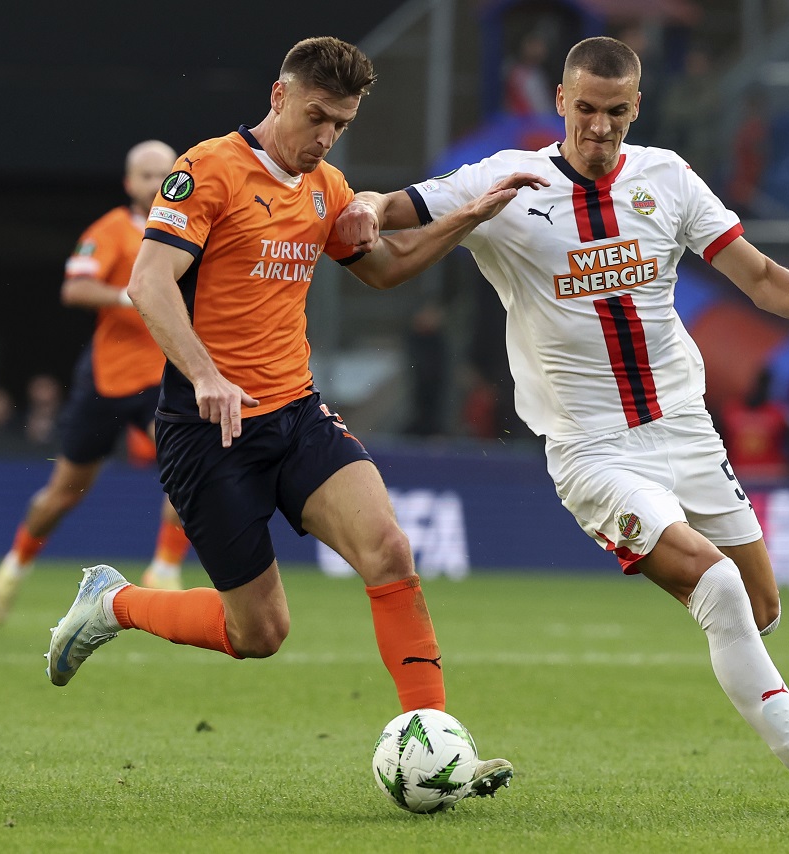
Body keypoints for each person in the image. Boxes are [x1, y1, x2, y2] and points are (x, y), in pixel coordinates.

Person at [363, 36, 789, 816]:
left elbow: (755, 277)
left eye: (614, 112)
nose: (598, 127)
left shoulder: (667, 177)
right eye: (584, 109)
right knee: (717, 588)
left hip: (685, 429)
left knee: (759, 608)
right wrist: (361, 206)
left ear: (636, 108)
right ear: (560, 102)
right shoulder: (505, 181)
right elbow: (396, 211)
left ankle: (760, 686)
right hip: (593, 451)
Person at [43, 36, 544, 802]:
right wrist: (206, 374)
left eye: (339, 124)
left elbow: (386, 269)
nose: (324, 137)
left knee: (388, 550)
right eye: (316, 117)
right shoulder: (204, 170)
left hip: (295, 415)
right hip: (206, 431)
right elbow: (150, 283)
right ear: (280, 96)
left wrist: (467, 219)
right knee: (260, 635)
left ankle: (440, 746)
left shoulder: (328, 185)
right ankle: (113, 603)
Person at [0, 140, 194, 625]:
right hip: (106, 380)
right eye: (146, 174)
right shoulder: (111, 230)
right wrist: (133, 297)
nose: (156, 182)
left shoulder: (190, 231)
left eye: (165, 173)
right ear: (128, 184)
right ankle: (14, 567)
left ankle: (164, 568)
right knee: (65, 492)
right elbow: (75, 287)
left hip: (162, 378)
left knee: (193, 466)